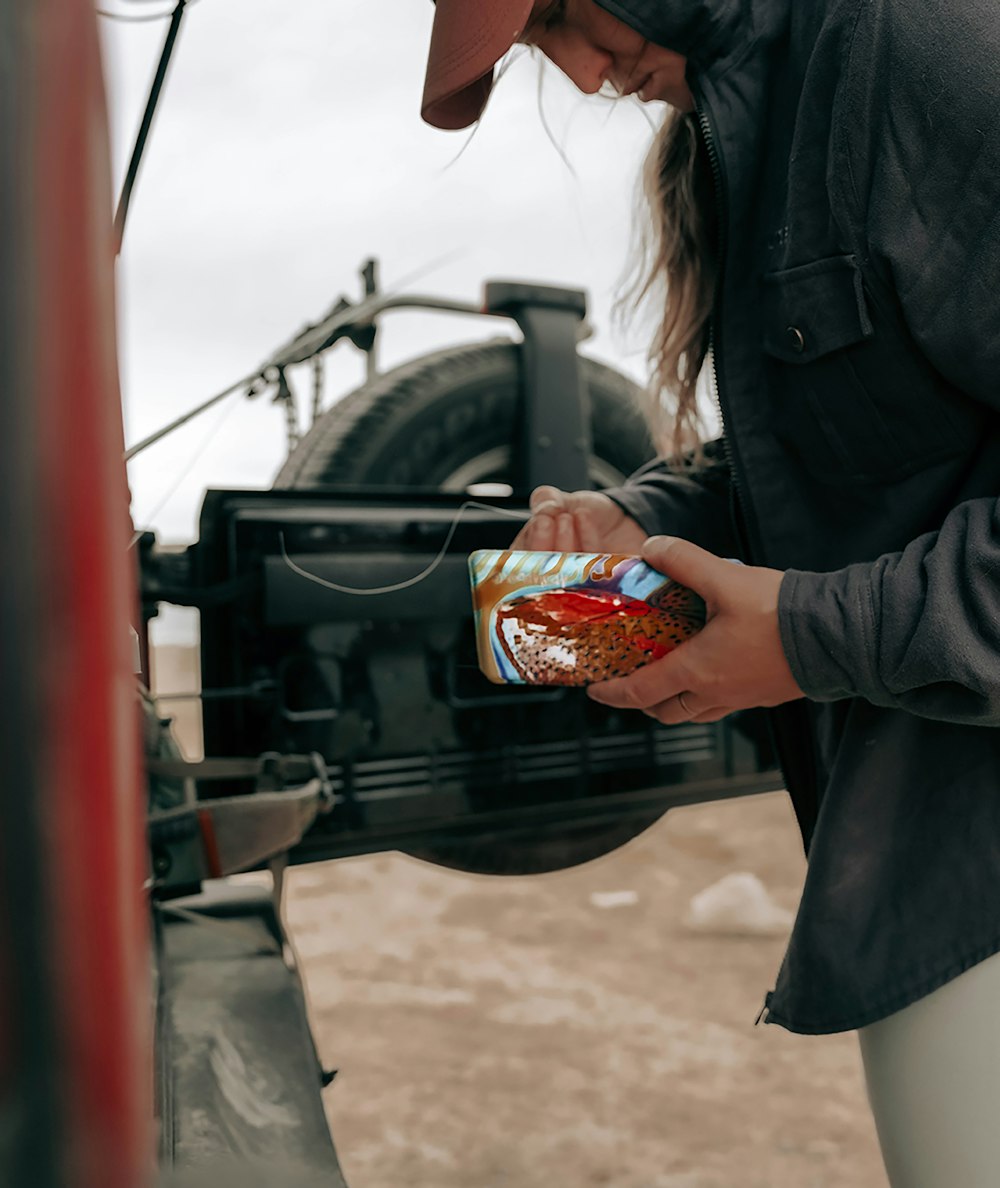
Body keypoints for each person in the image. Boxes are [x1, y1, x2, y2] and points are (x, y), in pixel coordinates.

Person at [418, 2, 1000, 1186]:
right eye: (540, 51)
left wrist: (804, 636)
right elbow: (860, 452)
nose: (582, 77)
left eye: (566, 13)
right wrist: (647, 517)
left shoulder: (935, 52)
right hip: (931, 835)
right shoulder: (752, 128)